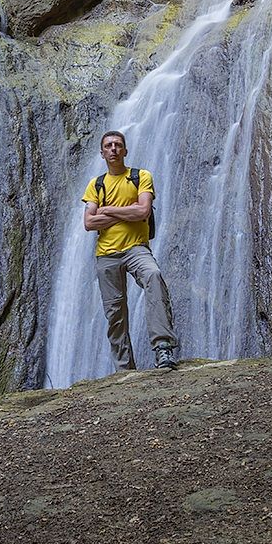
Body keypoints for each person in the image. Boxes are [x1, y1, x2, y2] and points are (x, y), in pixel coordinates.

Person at [82, 130, 178, 370]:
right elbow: (89, 223)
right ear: (102, 153)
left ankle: (163, 348)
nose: (113, 148)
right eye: (108, 146)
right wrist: (127, 211)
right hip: (106, 255)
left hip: (137, 248)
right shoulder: (96, 184)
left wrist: (108, 211)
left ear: (125, 150)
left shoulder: (140, 177)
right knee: (114, 312)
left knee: (153, 276)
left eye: (118, 145)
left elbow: (143, 211)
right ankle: (124, 369)